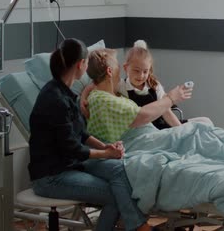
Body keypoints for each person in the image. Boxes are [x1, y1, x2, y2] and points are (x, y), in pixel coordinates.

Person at [28, 38, 153, 231]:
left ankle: (136, 224)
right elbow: (73, 148)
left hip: (72, 165)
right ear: (80, 65)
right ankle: (138, 225)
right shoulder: (54, 100)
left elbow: (82, 134)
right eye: (86, 63)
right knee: (113, 194)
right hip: (52, 177)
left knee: (119, 168)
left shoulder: (67, 94)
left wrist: (105, 147)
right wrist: (105, 155)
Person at [81, 40, 211, 135]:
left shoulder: (155, 86)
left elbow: (166, 111)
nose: (141, 76)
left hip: (166, 124)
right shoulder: (121, 85)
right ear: (126, 68)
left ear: (149, 70)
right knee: (199, 130)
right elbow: (96, 82)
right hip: (153, 132)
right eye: (136, 71)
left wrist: (180, 130)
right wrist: (83, 98)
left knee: (206, 121)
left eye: (145, 71)